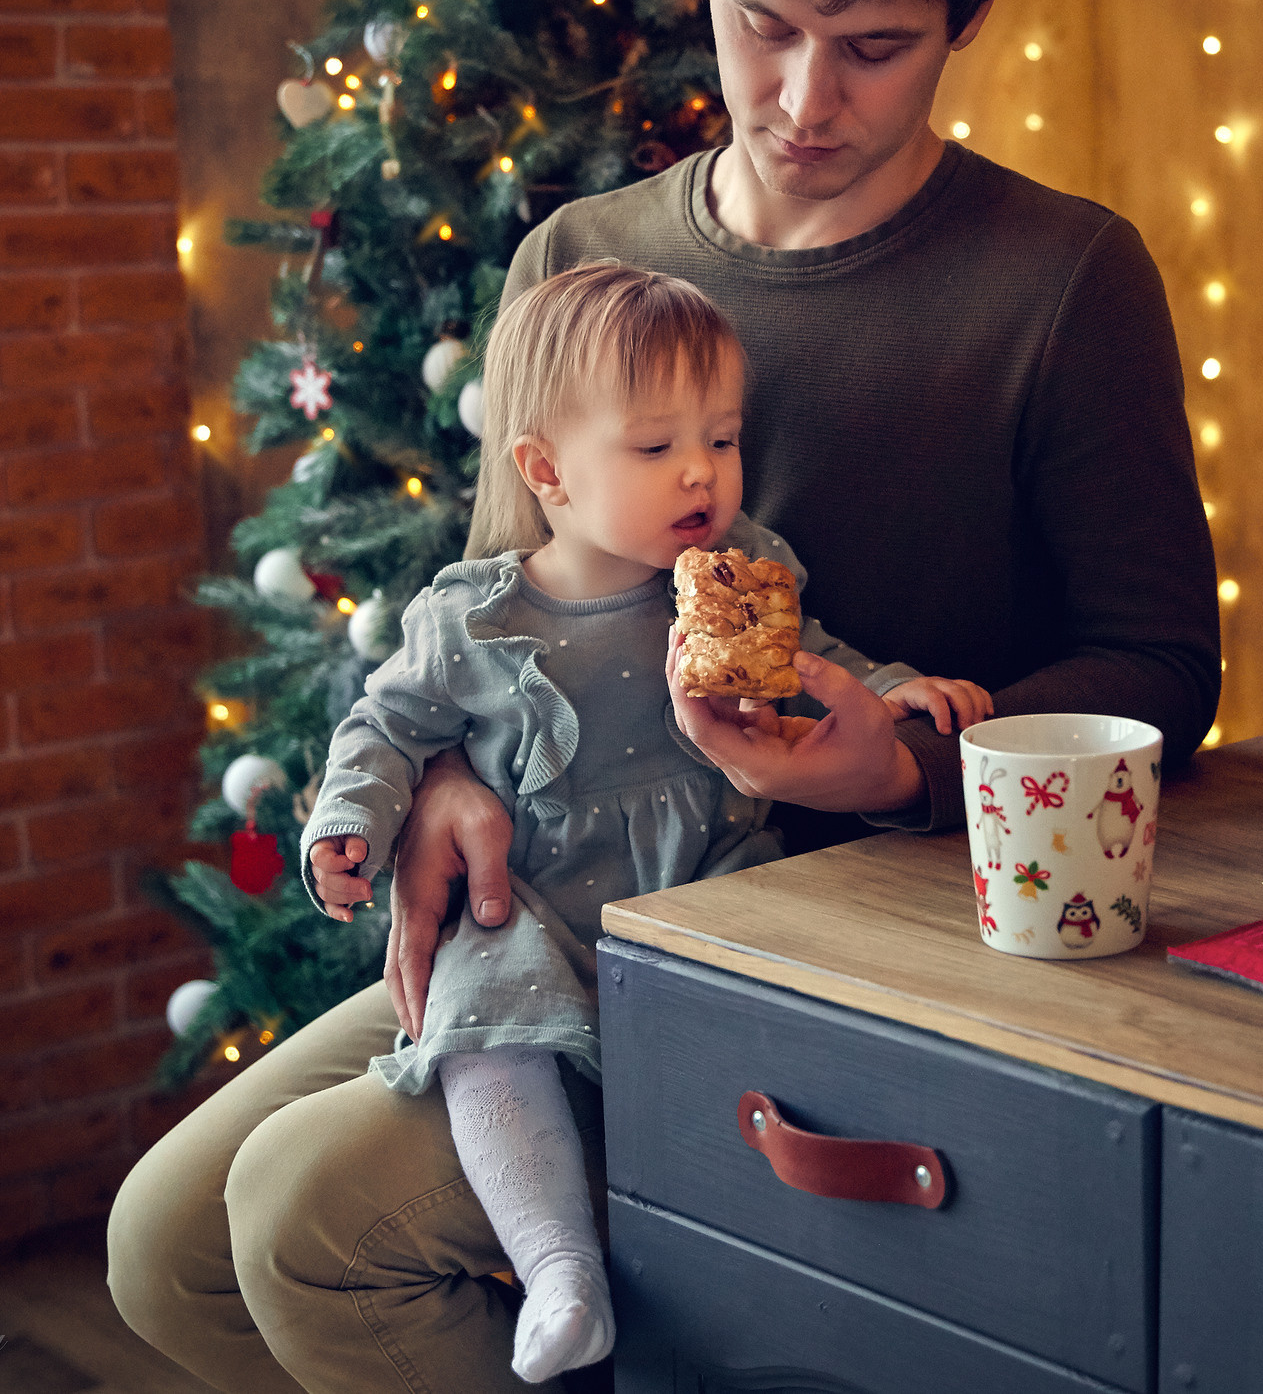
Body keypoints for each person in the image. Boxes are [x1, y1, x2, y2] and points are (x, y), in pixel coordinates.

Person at [110, 0, 1216, 1391]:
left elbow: (1160, 669)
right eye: (762, 24)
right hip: (552, 893)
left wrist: (901, 758)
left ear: (967, 22)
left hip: (822, 930)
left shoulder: (1062, 277)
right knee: (162, 1247)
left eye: (875, 47)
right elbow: (503, 597)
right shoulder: (583, 255)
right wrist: (449, 787)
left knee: (304, 1218)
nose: (801, 98)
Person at [290, 264, 987, 1382]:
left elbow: (820, 664)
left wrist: (899, 691)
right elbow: (385, 725)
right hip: (533, 901)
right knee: (485, 1049)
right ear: (546, 471)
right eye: (655, 448)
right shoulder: (475, 614)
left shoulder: (743, 574)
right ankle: (560, 1268)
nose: (702, 473)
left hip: (704, 883)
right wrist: (351, 822)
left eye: (722, 437)